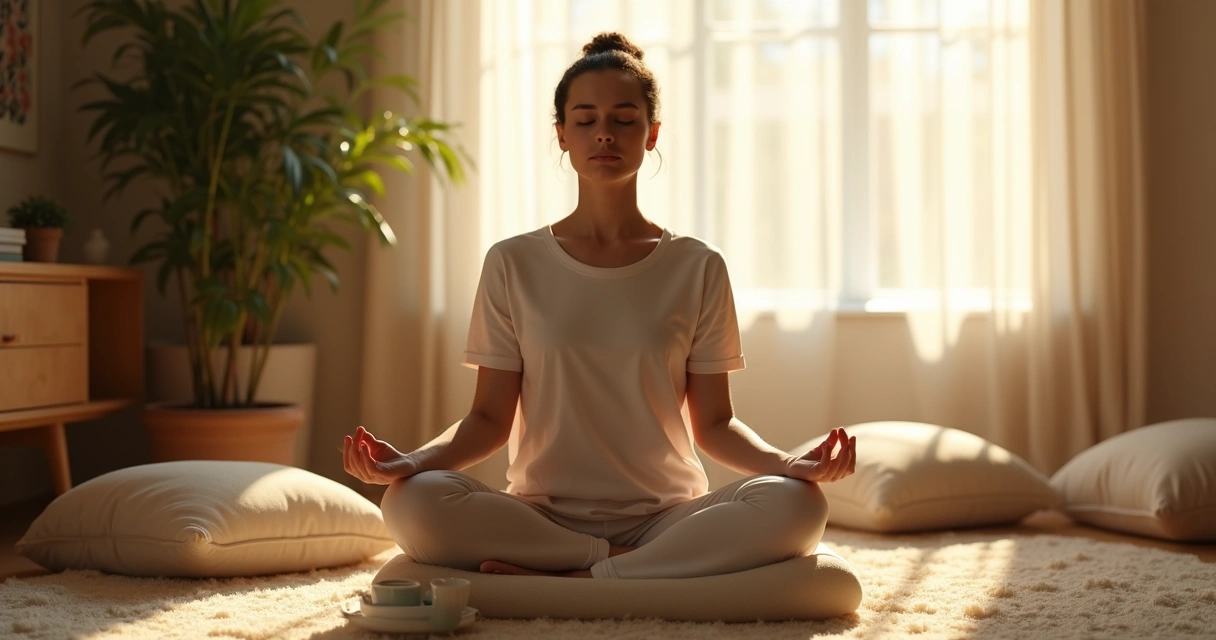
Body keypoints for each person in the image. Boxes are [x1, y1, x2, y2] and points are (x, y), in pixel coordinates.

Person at [342, 31, 856, 580]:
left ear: (652, 134)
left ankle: (576, 577)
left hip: (668, 516)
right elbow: (490, 418)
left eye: (624, 119)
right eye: (584, 120)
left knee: (798, 505)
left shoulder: (697, 265)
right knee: (409, 501)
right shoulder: (512, 262)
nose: (604, 134)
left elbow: (715, 424)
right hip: (541, 516)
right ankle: (625, 571)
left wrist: (789, 465)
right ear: (561, 135)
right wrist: (411, 463)